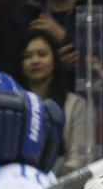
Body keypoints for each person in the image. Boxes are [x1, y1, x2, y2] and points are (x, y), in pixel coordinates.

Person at [18, 28, 87, 175]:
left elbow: (77, 161)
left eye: (42, 54)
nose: (35, 61)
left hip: (61, 187)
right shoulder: (12, 104)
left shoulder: (75, 104)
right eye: (27, 56)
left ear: (54, 60)